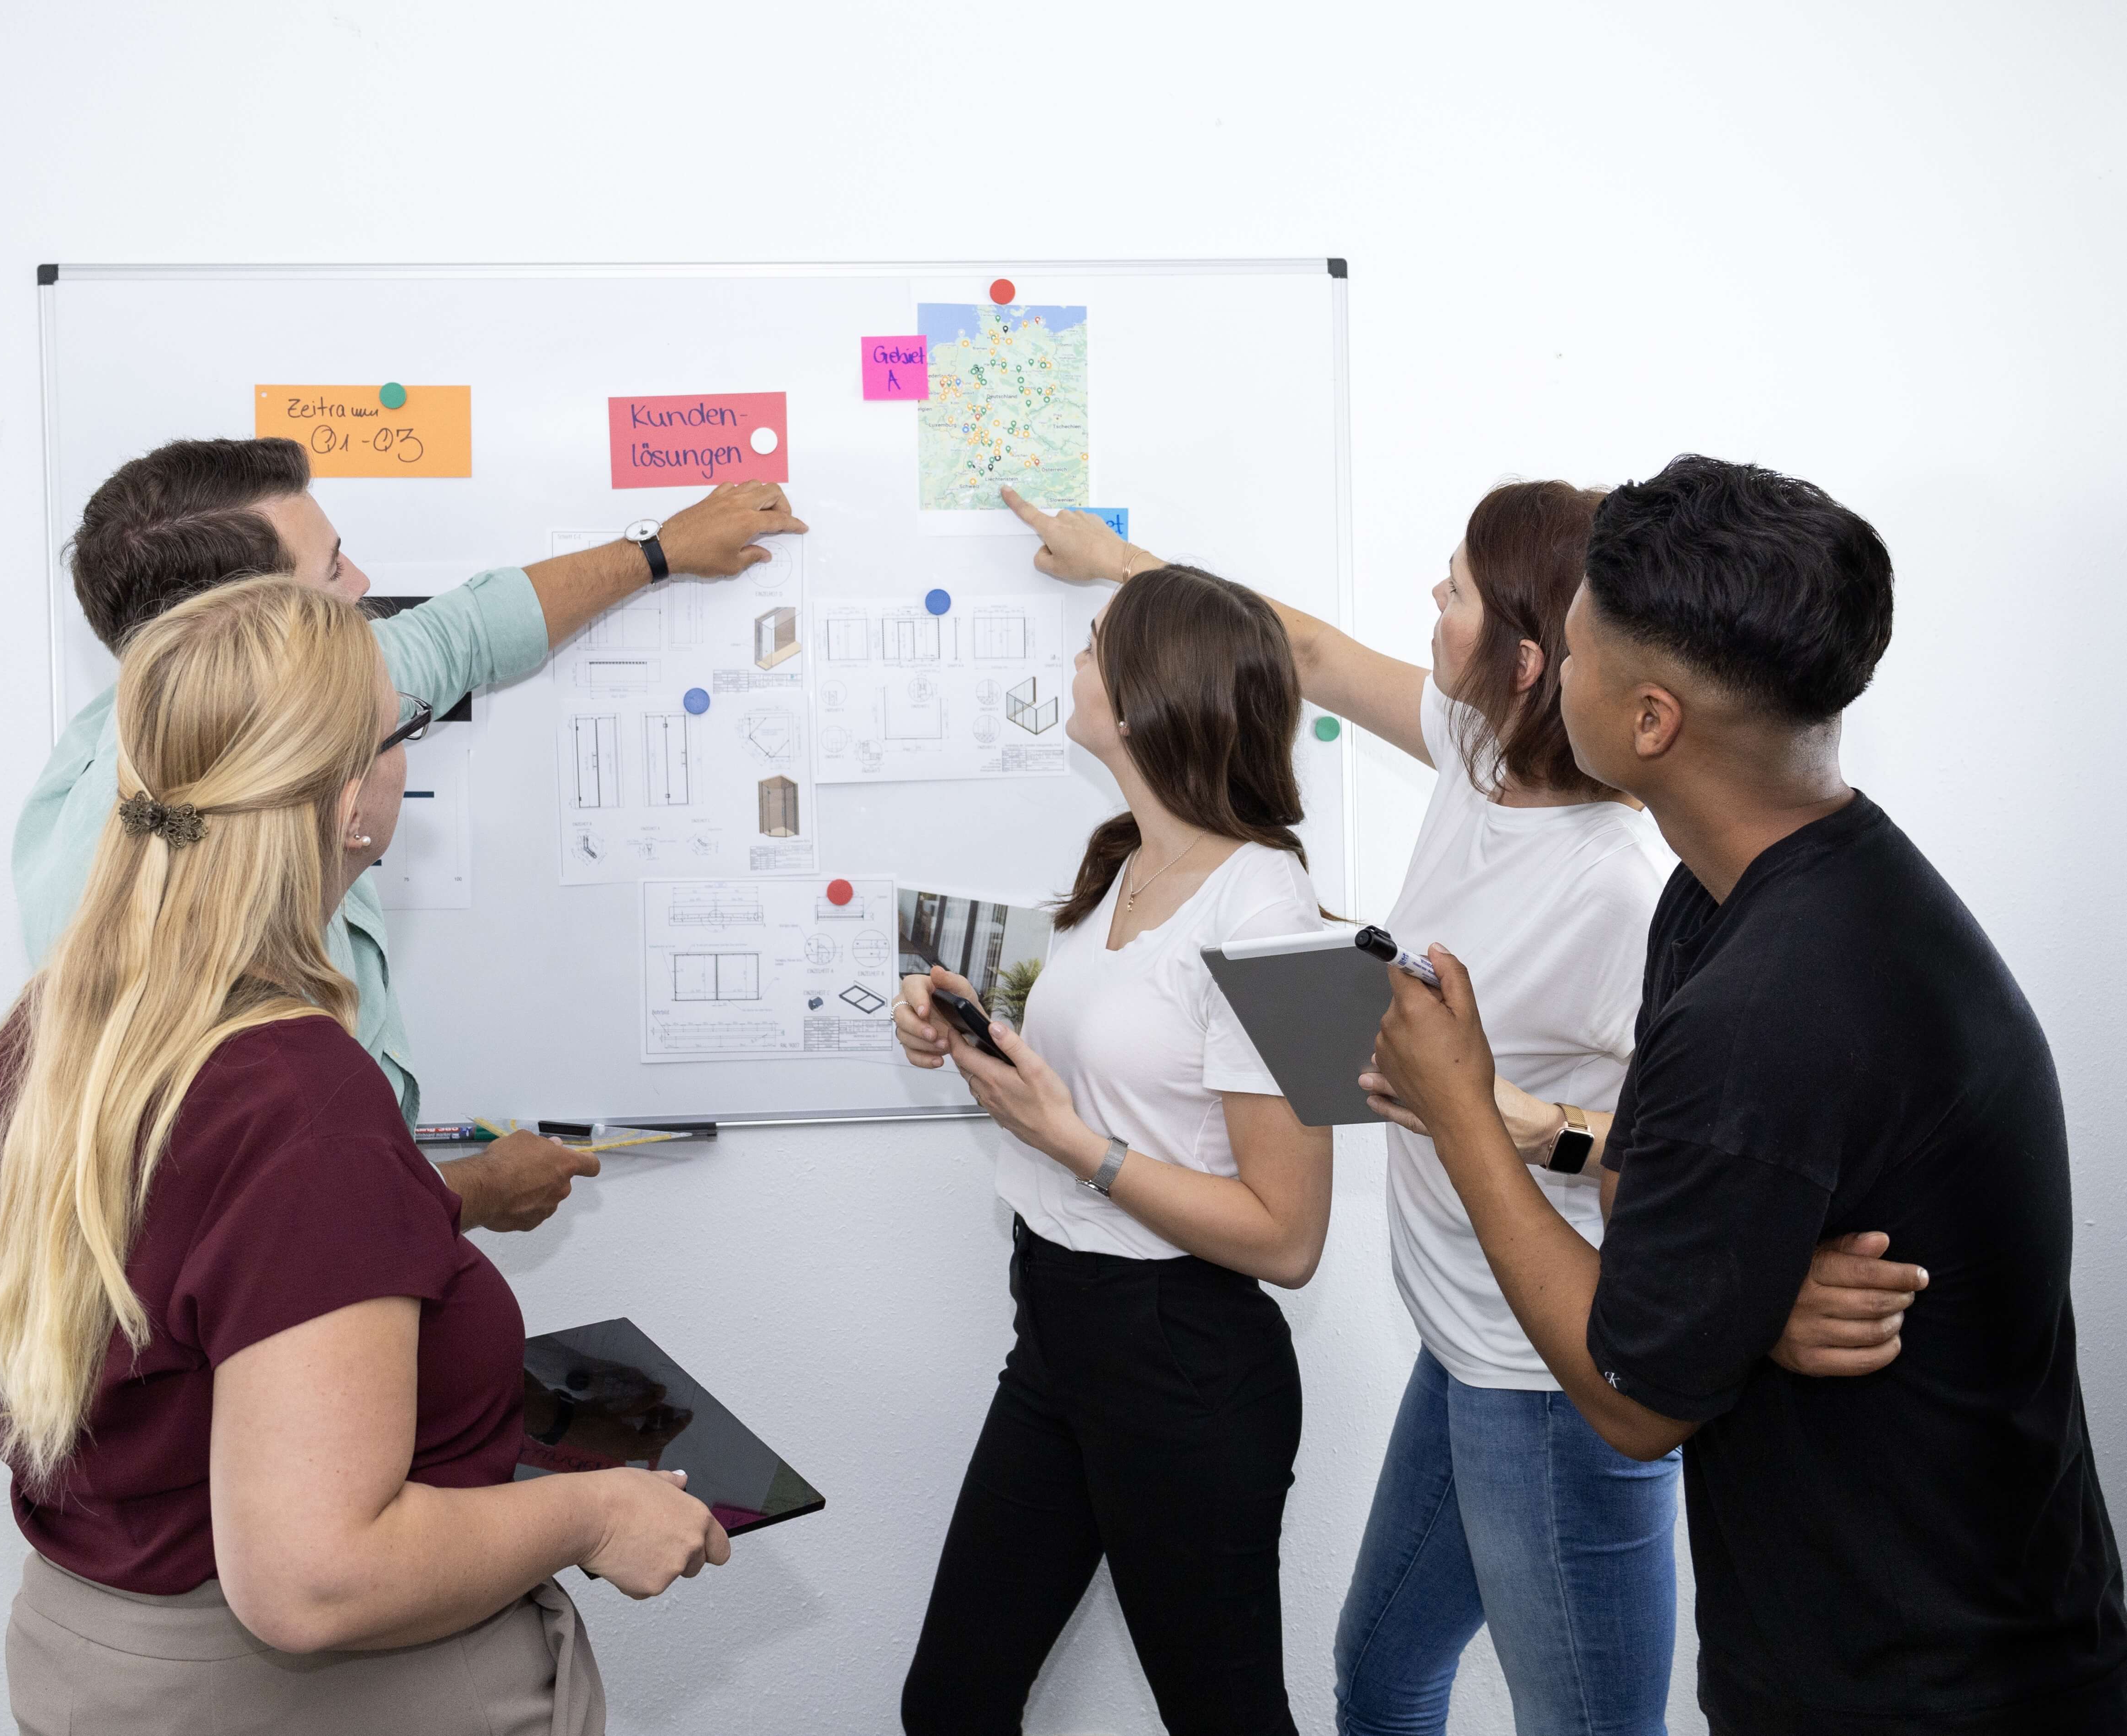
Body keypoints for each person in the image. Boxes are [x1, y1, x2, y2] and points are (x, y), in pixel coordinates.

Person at [1002, 482, 1930, 1735]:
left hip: (1549, 1374)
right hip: (1461, 1346)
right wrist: (1124, 563)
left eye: (1452, 595)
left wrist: (1504, 1108)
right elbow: (1313, 654)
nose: (1430, 610)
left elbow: (1663, 1145)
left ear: (1534, 660)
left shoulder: (1614, 890)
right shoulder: (1473, 749)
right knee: (1381, 1677)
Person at [1370, 455, 2127, 1734]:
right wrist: (1742, 1290)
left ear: (1650, 717)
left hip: (1936, 1687)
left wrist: (1460, 1108)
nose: (1551, 665)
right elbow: (1649, 1181)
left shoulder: (1773, 1001)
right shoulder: (1728, 898)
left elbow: (1630, 1397)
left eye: (1576, 644)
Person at [0, 577, 730, 1736]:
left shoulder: (60, 1030)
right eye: (402, 734)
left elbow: (210, 1286)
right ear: (343, 804)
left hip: (99, 1663)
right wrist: (596, 1514)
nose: (405, 765)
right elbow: (316, 1576)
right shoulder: (300, 1094)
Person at [16, 436, 803, 1233]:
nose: (362, 586)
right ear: (250, 629)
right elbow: (256, 1229)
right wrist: (469, 1194)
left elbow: (463, 632)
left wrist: (659, 553)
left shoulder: (251, 725)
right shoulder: (138, 893)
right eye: (331, 573)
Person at [892, 566, 1336, 1736]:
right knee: (949, 1702)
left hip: (1183, 1361)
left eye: (1094, 643)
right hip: (1060, 1325)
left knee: (1227, 1718)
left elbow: (1290, 1239)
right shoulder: (1117, 865)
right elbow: (1105, 1080)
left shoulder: (1287, 921)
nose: (1074, 662)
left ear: (1145, 697)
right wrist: (969, 1035)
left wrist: (1074, 1145)